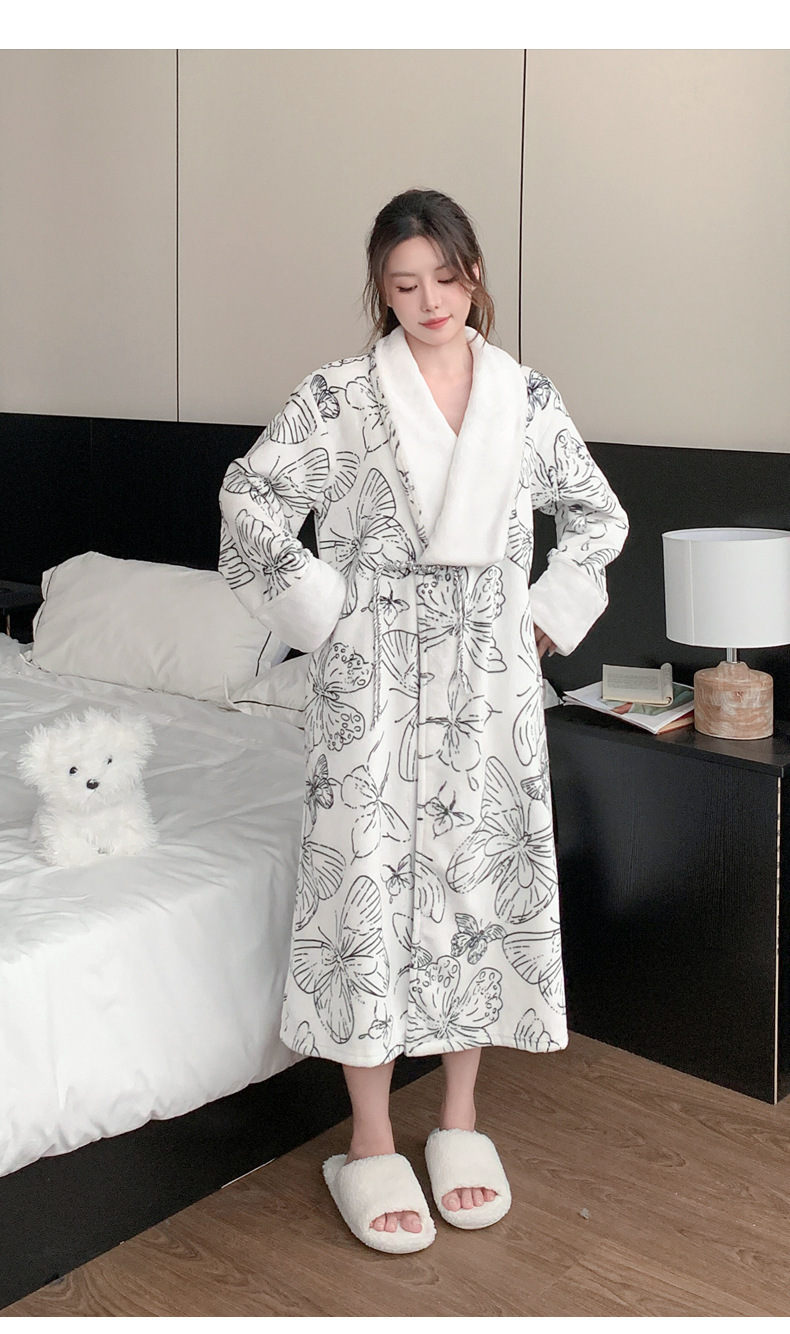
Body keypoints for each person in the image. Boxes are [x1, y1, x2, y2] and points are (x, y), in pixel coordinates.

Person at [218, 188, 628, 1253]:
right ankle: (367, 1137)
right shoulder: (339, 395)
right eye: (404, 285)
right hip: (372, 684)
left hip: (487, 689)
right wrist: (326, 612)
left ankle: (457, 1120)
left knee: (473, 886)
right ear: (382, 291)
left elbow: (598, 515)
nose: (429, 301)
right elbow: (250, 502)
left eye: (445, 278)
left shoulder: (525, 397)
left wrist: (540, 619)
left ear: (474, 273)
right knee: (366, 888)